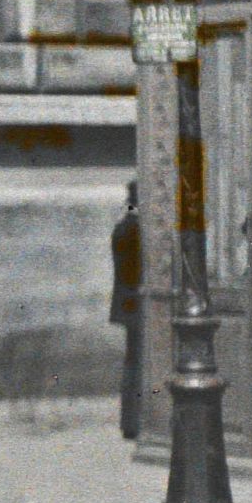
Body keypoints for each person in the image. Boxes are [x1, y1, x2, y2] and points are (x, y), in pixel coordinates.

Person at [111, 181, 143, 440]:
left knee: (133, 361)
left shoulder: (123, 226)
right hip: (138, 305)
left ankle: (130, 422)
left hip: (128, 306)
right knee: (138, 363)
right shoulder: (136, 229)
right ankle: (134, 422)